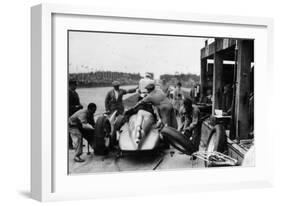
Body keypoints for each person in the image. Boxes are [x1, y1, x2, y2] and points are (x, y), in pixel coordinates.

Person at [68, 80, 83, 149]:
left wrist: (80, 106)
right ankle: (69, 144)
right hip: (70, 113)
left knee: (79, 127)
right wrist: (76, 107)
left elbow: (77, 102)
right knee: (69, 130)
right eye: (75, 85)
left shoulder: (75, 93)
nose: (76, 86)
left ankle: (79, 142)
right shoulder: (68, 93)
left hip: (76, 113)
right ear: (71, 85)